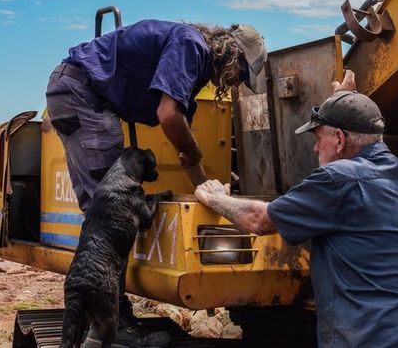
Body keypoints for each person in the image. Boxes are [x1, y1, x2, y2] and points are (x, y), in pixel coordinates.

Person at [45, 19, 266, 342]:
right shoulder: (191, 46)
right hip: (82, 92)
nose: (236, 83)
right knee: (109, 210)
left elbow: (184, 148)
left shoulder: (196, 69)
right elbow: (168, 115)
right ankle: (110, 320)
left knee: (108, 209)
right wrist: (195, 157)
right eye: (242, 74)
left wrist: (208, 191)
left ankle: (98, 319)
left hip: (82, 93)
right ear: (232, 54)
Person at [195, 76, 398, 347]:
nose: (315, 148)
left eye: (319, 138)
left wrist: (215, 197)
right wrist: (349, 103)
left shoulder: (338, 179)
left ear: (340, 140)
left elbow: (259, 220)